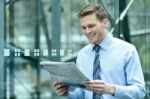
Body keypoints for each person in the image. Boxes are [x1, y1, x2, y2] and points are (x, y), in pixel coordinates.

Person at [53, 4, 146, 99]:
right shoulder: (82, 55)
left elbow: (140, 91)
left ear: (105, 23)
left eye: (91, 26)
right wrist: (68, 93)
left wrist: (112, 89)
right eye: (84, 28)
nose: (87, 31)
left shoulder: (127, 50)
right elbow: (82, 94)